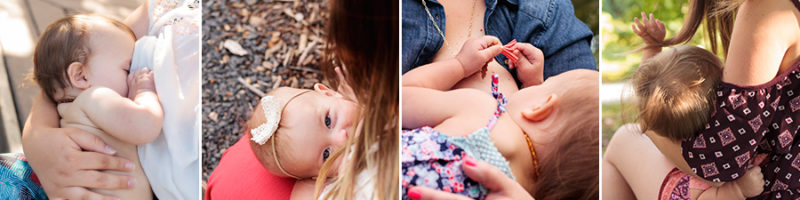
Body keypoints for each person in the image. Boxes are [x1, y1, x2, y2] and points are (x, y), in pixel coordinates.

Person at [604, 0, 800, 198]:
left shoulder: (767, 12)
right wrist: (652, 49)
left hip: (768, 191)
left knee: (622, 140)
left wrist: (648, 119)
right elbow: (650, 90)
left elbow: (719, 166)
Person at [21, 0, 200, 199]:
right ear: (80, 76)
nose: (132, 73)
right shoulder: (95, 97)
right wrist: (143, 91)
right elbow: (145, 125)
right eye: (126, 68)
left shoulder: (69, 110)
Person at [401, 35, 598, 199]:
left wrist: (460, 65)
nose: (539, 83)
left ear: (541, 107)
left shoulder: (481, 110)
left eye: (545, 83)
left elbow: (400, 98)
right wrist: (532, 85)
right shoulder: (523, 192)